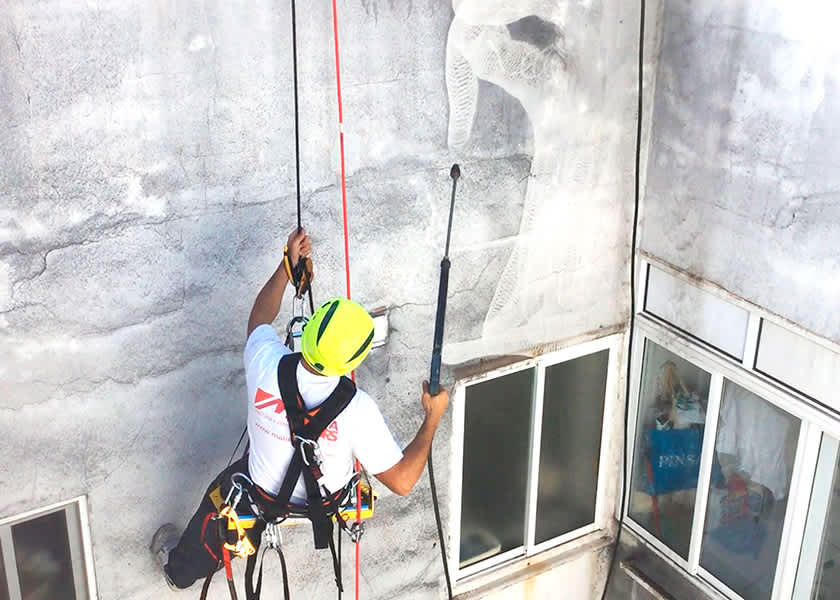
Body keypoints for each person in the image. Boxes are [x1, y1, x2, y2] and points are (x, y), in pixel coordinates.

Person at [151, 227, 450, 590]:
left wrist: (287, 266)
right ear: (349, 365)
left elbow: (259, 319)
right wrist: (432, 417)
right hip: (326, 502)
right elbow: (402, 481)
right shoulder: (357, 410)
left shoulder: (265, 363)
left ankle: (180, 571)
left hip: (258, 492)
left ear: (307, 335)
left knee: (216, 503)